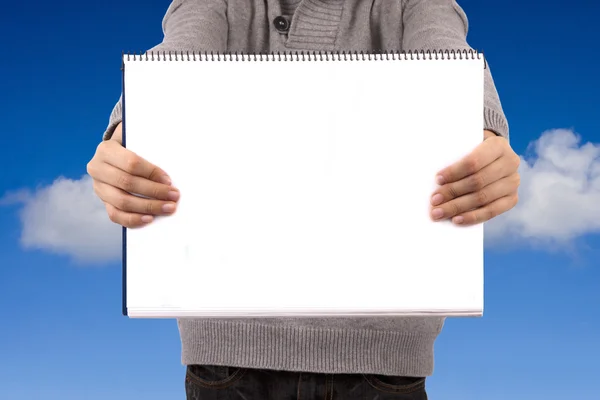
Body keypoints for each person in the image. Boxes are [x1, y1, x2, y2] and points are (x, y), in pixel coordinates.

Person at [87, 1, 520, 398]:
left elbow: (449, 56)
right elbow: (175, 57)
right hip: (227, 360)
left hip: (384, 362)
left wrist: (486, 135)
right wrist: (129, 133)